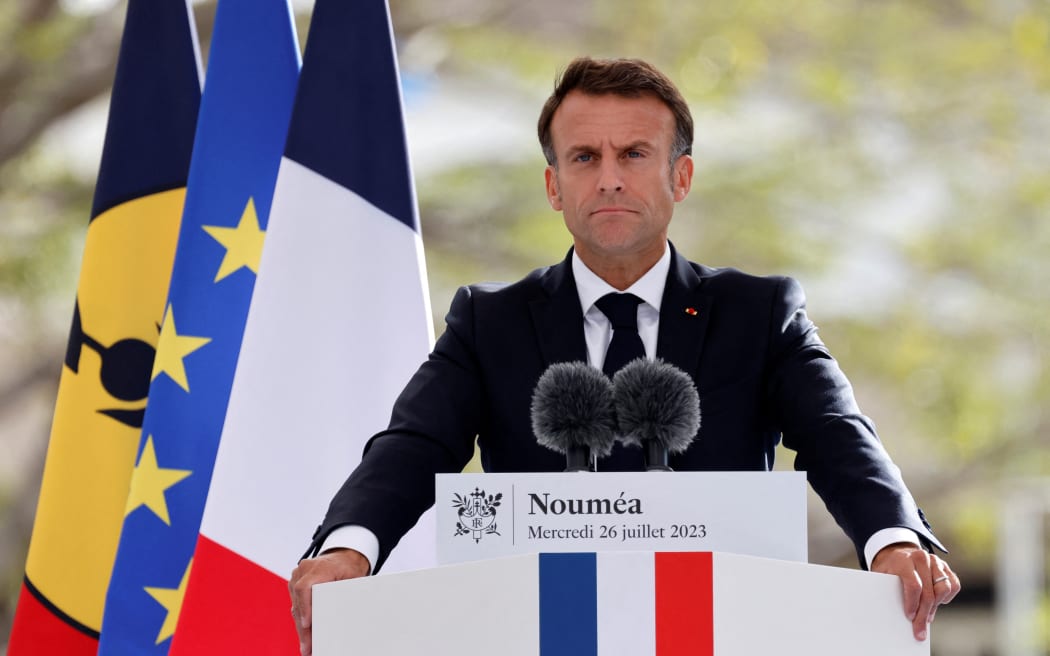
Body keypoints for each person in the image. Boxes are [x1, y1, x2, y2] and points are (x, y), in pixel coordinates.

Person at [289, 56, 960, 655]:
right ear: (554, 187)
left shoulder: (759, 315)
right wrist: (349, 546)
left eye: (634, 154)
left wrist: (893, 539)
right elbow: (413, 446)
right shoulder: (487, 321)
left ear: (681, 176)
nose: (609, 178)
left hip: (719, 635)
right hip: (534, 634)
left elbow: (837, 436)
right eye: (584, 157)